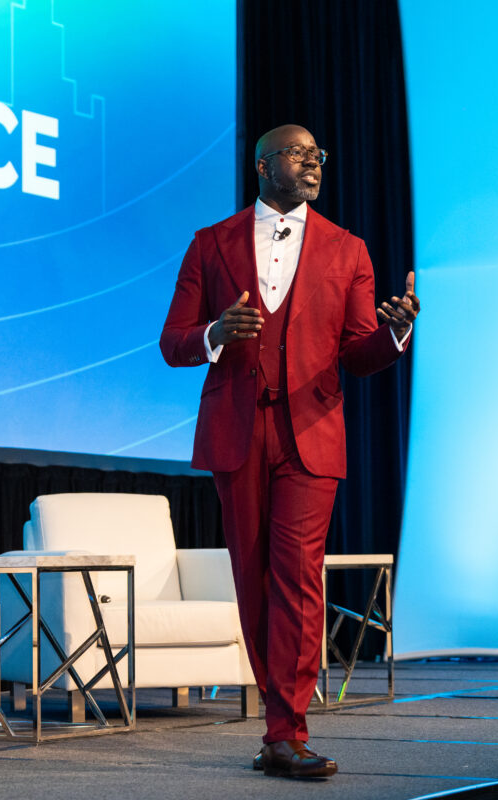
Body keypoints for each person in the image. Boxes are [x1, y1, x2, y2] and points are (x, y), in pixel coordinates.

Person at [159, 124, 419, 779]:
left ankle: (286, 732)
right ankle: (278, 729)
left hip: (311, 434)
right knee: (254, 583)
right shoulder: (209, 244)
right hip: (237, 434)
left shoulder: (347, 249)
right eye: (298, 154)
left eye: (318, 156)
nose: (312, 164)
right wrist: (216, 331)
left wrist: (394, 334)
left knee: (299, 581)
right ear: (262, 164)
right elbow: (173, 342)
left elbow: (359, 354)